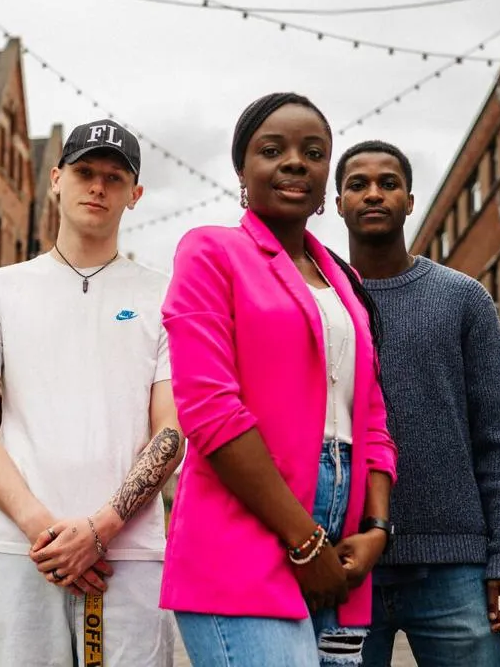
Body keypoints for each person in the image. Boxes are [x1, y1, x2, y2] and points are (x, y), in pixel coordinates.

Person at [161, 93, 397, 667]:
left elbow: (370, 414)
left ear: (326, 182)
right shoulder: (211, 253)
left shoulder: (342, 283)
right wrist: (304, 539)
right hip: (245, 538)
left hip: (342, 547)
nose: (296, 162)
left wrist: (376, 526)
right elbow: (211, 413)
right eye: (273, 150)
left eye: (313, 153)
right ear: (243, 170)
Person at [0, 119, 184, 667]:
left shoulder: (163, 295)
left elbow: (170, 431)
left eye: (114, 177)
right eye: (83, 172)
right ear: (56, 179)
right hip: (18, 551)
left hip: (128, 558)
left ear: (135, 194)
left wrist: (101, 530)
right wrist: (45, 532)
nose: (97, 187)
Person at [335, 140, 500, 667]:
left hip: (455, 568)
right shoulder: (318, 303)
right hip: (344, 565)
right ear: (337, 204)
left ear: (410, 200)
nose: (373, 193)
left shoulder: (463, 298)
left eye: (388, 183)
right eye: (358, 184)